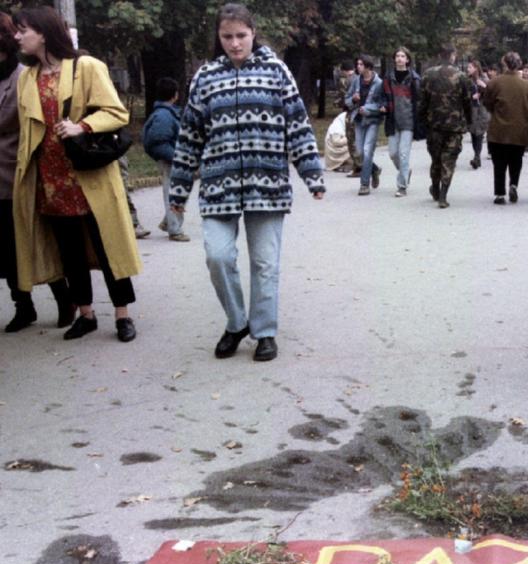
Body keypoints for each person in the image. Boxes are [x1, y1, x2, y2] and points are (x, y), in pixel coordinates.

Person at [169, 3, 324, 362]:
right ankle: (237, 322)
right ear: (218, 38)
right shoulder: (205, 77)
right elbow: (189, 137)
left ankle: (265, 331)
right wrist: (177, 191)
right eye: (227, 37)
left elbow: (298, 125)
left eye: (241, 35)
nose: (235, 43)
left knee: (265, 263)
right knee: (218, 256)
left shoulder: (276, 71)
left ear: (253, 33)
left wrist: (311, 173)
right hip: (218, 186)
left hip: (267, 185)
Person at [13, 6, 141, 343]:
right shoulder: (28, 76)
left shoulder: (86, 67)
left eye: (22, 29)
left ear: (42, 32)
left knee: (107, 245)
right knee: (69, 251)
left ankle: (123, 315)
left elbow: (117, 112)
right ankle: (85, 314)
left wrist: (82, 125)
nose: (17, 36)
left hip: (88, 175)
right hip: (50, 180)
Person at [0, 11, 72, 333]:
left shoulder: (23, 78)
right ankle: (23, 305)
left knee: (39, 239)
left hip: (20, 173)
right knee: (5, 247)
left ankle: (64, 298)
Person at [417, 44, 471, 209]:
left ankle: (435, 186)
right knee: (449, 160)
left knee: (436, 159)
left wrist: (421, 121)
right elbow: (467, 101)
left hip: (434, 125)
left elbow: (422, 102)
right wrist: (469, 120)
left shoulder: (428, 75)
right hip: (454, 127)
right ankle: (443, 195)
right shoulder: (461, 77)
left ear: (440, 55)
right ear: (453, 56)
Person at [482, 51, 528, 205]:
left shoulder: (494, 83)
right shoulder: (527, 86)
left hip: (499, 129)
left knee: (499, 162)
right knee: (516, 160)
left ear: (504, 64)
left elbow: (487, 103)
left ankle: (499, 193)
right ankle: (514, 184)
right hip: (519, 129)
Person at [141, 76, 189, 241]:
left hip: (172, 158)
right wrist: (176, 158)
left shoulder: (165, 113)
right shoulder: (164, 115)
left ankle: (168, 222)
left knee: (179, 192)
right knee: (173, 194)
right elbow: (158, 141)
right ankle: (174, 230)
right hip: (171, 160)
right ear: (175, 95)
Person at [383, 46, 423, 198]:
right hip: (393, 119)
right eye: (397, 56)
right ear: (394, 59)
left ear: (407, 59)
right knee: (393, 153)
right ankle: (405, 172)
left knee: (404, 154)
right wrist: (383, 106)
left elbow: (418, 100)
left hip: (408, 120)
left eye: (402, 56)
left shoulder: (414, 78)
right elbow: (383, 97)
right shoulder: (388, 78)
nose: (399, 58)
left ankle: (402, 186)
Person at [345, 54, 385, 196]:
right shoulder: (356, 81)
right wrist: (354, 100)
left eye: (361, 64)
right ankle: (374, 169)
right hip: (358, 120)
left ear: (368, 66)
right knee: (360, 153)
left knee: (368, 151)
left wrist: (368, 109)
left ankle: (364, 184)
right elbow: (347, 99)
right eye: (358, 64)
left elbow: (382, 104)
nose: (358, 67)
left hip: (372, 120)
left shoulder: (379, 83)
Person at [335, 60, 362, 176]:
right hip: (361, 112)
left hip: (351, 112)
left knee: (351, 141)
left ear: (344, 71)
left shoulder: (345, 81)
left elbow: (343, 97)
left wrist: (338, 103)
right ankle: (360, 167)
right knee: (359, 139)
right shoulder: (359, 78)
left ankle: (360, 167)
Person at [466, 60, 489, 170]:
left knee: (479, 134)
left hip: (482, 111)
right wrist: (471, 96)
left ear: (476, 68)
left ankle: (477, 157)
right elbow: (463, 95)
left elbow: (492, 93)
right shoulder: (467, 81)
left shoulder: (484, 79)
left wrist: (484, 86)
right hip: (471, 110)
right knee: (473, 134)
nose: (468, 69)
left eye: (470, 67)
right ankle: (476, 156)